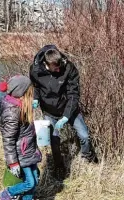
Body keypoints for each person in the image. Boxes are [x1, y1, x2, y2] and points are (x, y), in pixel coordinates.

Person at [29, 45, 97, 178]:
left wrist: (66, 116)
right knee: (55, 140)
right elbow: (36, 85)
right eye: (56, 67)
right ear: (46, 63)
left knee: (84, 135)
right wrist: (36, 98)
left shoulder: (68, 68)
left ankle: (87, 158)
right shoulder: (35, 69)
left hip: (69, 108)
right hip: (49, 110)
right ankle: (59, 167)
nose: (59, 68)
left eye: (60, 65)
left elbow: (73, 94)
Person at [0, 75, 42, 200]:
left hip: (28, 149)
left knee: (35, 179)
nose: (32, 92)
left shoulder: (19, 105)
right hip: (20, 153)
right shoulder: (12, 112)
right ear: (22, 92)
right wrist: (13, 163)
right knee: (30, 182)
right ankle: (6, 195)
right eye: (30, 90)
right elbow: (8, 139)